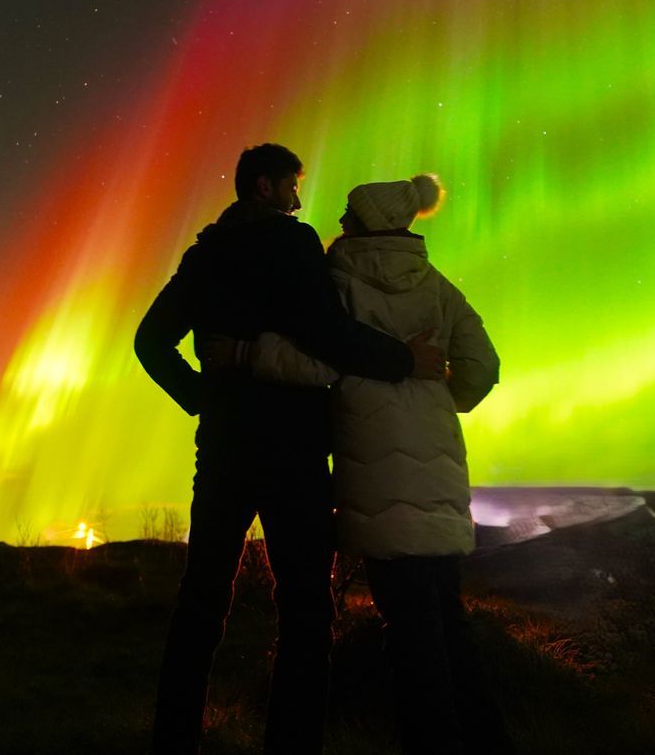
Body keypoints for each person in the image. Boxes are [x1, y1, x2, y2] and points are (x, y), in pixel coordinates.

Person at [135, 143, 446, 755]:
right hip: (296, 453)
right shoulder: (294, 245)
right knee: (306, 610)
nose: (300, 200)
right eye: (291, 187)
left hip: (223, 450)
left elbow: (151, 342)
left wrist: (204, 397)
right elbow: (331, 335)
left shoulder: (205, 255)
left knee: (201, 599)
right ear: (263, 188)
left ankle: (172, 742)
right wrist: (406, 358)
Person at [246, 173, 516, 755]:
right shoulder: (439, 287)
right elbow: (483, 365)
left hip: (376, 475)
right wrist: (445, 396)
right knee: (449, 623)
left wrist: (248, 353)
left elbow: (317, 360)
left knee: (409, 632)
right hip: (440, 472)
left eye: (348, 213)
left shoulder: (338, 280)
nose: (340, 222)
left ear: (366, 220)